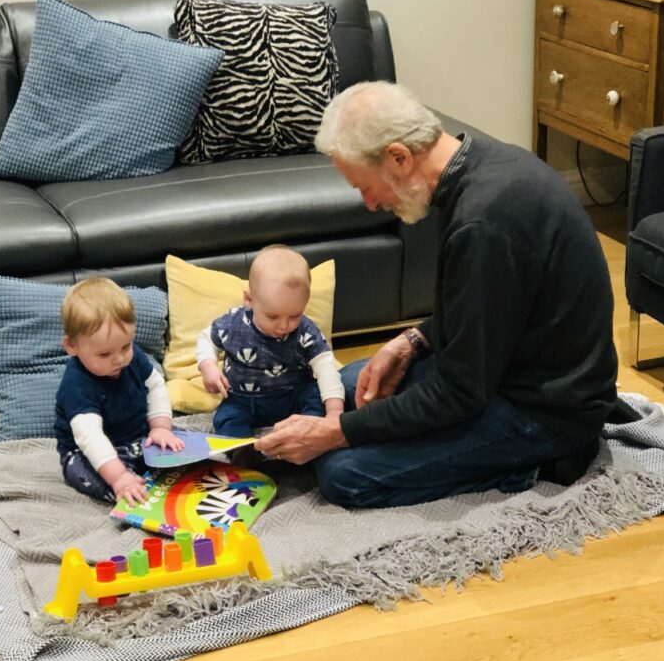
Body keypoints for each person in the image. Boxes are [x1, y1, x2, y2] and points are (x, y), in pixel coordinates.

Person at [254, 81, 619, 508]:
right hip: (504, 368)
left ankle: (534, 465)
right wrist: (413, 340)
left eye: (364, 186)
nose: (369, 204)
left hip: (547, 411)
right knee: (348, 387)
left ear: (398, 157)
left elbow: (459, 394)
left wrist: (338, 434)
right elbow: (491, 306)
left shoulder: (482, 224)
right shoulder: (484, 164)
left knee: (343, 473)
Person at [54, 277, 183, 505]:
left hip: (140, 437)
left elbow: (155, 385)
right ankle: (135, 489)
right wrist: (119, 478)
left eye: (126, 346)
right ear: (71, 346)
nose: (120, 359)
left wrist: (161, 427)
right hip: (92, 452)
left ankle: (168, 474)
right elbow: (90, 438)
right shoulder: (77, 385)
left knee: (180, 443)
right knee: (95, 477)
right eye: (104, 354)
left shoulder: (130, 357)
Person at [196, 244, 345, 438]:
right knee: (226, 418)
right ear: (249, 299)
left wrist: (334, 412)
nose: (284, 326)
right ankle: (244, 450)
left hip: (293, 395)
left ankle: (307, 437)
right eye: (273, 317)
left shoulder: (306, 331)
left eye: (294, 315)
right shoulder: (232, 323)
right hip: (242, 398)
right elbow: (206, 339)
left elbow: (326, 368)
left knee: (314, 397)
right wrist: (208, 366)